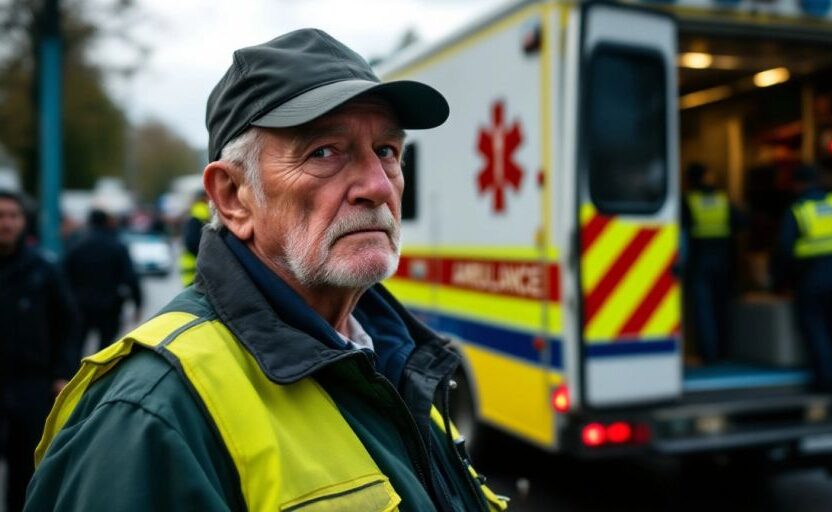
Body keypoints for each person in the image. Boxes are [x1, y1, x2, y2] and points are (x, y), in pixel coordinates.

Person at [27, 29, 507, 511]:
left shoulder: (395, 360)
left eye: (386, 151)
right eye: (324, 152)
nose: (378, 187)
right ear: (234, 197)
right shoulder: (150, 415)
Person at [0, 190, 81, 511]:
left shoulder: (44, 270)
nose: (5, 223)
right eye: (0, 216)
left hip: (31, 386)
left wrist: (62, 373)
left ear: (24, 221)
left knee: (27, 472)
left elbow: (69, 324)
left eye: (12, 216)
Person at [776, 165, 832, 392]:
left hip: (811, 277)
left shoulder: (798, 210)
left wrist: (781, 279)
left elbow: (784, 249)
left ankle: (826, 381)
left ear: (797, 184)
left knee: (816, 328)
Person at [681, 163, 742, 363]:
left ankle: (709, 355)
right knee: (721, 307)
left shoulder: (689, 201)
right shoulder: (722, 200)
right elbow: (742, 222)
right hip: (723, 260)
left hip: (699, 261)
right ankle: (725, 351)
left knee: (704, 309)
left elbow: (681, 235)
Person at [64, 209, 143, 349]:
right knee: (105, 349)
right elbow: (130, 277)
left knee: (76, 347)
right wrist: (138, 304)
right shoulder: (117, 246)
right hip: (109, 306)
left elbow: (64, 275)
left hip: (80, 305)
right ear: (107, 222)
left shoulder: (76, 244)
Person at [179, 191, 211, 286]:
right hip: (197, 271)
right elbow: (192, 243)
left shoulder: (192, 215)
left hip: (192, 272)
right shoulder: (203, 215)